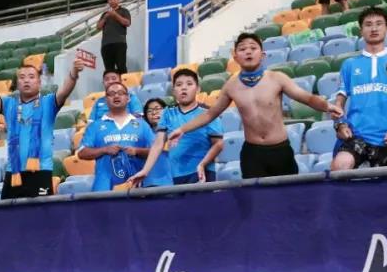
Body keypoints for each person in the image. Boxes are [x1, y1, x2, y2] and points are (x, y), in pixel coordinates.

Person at [140, 33, 342, 181]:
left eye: (253, 48)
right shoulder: (231, 86)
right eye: (243, 49)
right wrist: (182, 129)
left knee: (287, 200)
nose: (248, 52)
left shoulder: (277, 78)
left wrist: (327, 106)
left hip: (280, 150)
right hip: (252, 153)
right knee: (256, 204)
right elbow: (210, 114)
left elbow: (306, 97)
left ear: (262, 54)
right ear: (235, 56)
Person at [0, 56, 86, 199]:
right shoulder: (9, 104)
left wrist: (74, 72)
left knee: (40, 213)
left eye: (31, 77)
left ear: (39, 83)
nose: (26, 80)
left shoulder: (48, 103)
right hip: (13, 174)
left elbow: (65, 91)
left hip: (40, 173)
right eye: (22, 77)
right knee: (9, 213)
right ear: (17, 84)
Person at [331, 8, 387, 170]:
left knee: (386, 184)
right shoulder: (349, 65)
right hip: (356, 136)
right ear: (361, 30)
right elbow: (338, 103)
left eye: (379, 24)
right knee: (340, 165)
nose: (374, 28)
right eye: (368, 24)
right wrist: (340, 124)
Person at [140, 69, 223, 184]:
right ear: (173, 91)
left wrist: (203, 164)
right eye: (179, 85)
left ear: (198, 89)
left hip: (202, 172)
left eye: (189, 84)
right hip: (175, 175)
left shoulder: (208, 113)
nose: (184, 88)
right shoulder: (167, 113)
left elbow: (218, 144)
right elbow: (158, 144)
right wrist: (145, 171)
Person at [77, 82, 155, 192]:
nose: (116, 96)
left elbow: (156, 151)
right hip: (104, 189)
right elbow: (82, 153)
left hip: (138, 188)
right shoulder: (95, 126)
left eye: (120, 93)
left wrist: (137, 151)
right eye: (111, 94)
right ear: (106, 99)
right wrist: (104, 150)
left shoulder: (142, 125)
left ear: (128, 98)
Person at [138, 98, 174, 187]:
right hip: (148, 182)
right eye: (149, 111)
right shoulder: (143, 133)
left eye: (157, 109)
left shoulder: (174, 131)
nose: (154, 113)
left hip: (171, 181)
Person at [96, 0, 131, 75]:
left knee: (121, 66)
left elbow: (127, 23)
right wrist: (105, 18)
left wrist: (115, 15)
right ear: (108, 1)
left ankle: (124, 82)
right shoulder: (105, 14)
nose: (112, 1)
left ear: (118, 0)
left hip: (120, 43)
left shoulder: (124, 11)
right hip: (106, 45)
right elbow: (98, 27)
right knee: (109, 70)